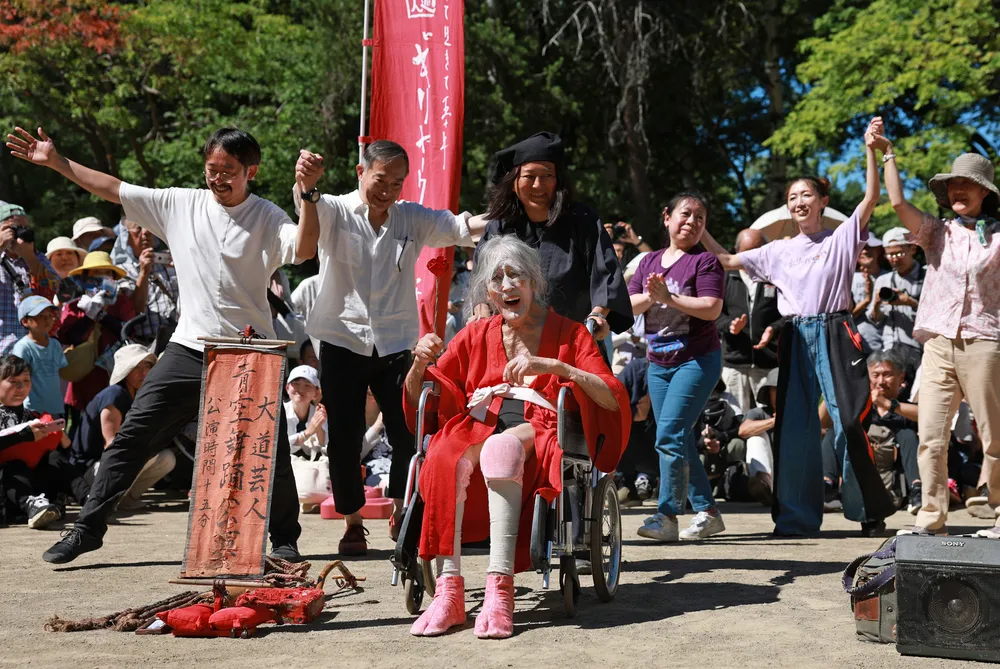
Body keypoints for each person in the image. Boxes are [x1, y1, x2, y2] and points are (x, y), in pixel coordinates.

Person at [6, 125, 305, 564]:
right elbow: (111, 187)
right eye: (211, 169)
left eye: (229, 171)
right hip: (189, 345)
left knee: (269, 443)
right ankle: (88, 529)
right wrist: (56, 161)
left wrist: (310, 198)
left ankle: (284, 539)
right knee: (133, 436)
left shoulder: (268, 215)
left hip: (249, 350)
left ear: (251, 172)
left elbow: (305, 246)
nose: (218, 178)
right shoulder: (180, 204)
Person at [402, 236, 628, 639]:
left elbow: (610, 395)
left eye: (515, 275)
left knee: (502, 448)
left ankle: (499, 588)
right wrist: (419, 363)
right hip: (478, 419)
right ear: (487, 291)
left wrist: (558, 366)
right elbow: (436, 390)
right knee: (439, 455)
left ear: (533, 281)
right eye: (497, 279)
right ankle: (450, 591)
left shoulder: (570, 333)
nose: (507, 285)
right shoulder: (474, 333)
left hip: (540, 425)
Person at [699, 118, 897, 537]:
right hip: (795, 333)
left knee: (847, 420)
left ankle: (867, 511)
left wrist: (872, 151)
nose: (799, 201)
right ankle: (797, 517)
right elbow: (730, 262)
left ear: (822, 200)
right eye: (792, 197)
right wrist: (702, 234)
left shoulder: (842, 238)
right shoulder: (779, 250)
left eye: (807, 194)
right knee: (794, 425)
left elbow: (872, 196)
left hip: (835, 329)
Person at [294, 140, 486, 556]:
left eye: (398, 182)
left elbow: (460, 228)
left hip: (398, 344)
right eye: (381, 179)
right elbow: (307, 225)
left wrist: (512, 215)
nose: (388, 190)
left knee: (408, 431)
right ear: (361, 172)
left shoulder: (410, 218)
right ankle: (352, 522)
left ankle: (403, 509)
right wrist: (307, 187)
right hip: (342, 340)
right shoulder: (334, 208)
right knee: (344, 437)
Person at [871, 119, 1000, 539]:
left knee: (994, 437)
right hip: (938, 343)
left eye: (968, 183)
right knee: (930, 437)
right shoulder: (935, 233)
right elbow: (895, 202)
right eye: (953, 184)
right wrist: (886, 153)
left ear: (985, 192)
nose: (958, 190)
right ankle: (931, 518)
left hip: (985, 342)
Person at [628, 192, 727, 542]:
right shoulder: (648, 261)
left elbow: (711, 308)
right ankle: (708, 511)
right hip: (658, 362)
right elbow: (630, 304)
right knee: (678, 437)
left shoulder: (706, 263)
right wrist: (654, 297)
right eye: (686, 215)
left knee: (668, 435)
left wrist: (668, 298)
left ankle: (666, 515)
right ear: (667, 217)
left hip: (697, 360)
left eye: (700, 218)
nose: (693, 222)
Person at [474, 132, 632, 341]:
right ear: (513, 181)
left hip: (572, 341)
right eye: (529, 176)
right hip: (512, 342)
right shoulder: (500, 225)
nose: (538, 185)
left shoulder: (583, 220)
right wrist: (481, 310)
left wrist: (598, 315)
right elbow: (482, 278)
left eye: (547, 175)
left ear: (558, 180)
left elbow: (605, 272)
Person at [69, 344, 174, 511]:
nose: (143, 372)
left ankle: (126, 498)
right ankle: (107, 498)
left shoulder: (138, 394)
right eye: (136, 367)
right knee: (147, 455)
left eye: (147, 366)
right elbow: (111, 445)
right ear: (125, 371)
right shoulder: (114, 395)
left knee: (166, 458)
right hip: (91, 469)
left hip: (113, 464)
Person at [821, 349, 920, 515]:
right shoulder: (858, 407)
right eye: (875, 375)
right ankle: (827, 488)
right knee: (835, 431)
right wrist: (833, 388)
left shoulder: (906, 407)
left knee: (907, 434)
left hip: (896, 489)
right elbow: (822, 422)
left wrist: (888, 404)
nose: (881, 381)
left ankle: (917, 491)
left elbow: (927, 417)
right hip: (860, 485)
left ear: (901, 377)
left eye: (887, 374)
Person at [0, 355, 86, 528]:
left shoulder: (34, 417)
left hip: (38, 485)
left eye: (26, 381)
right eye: (13, 381)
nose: (20, 387)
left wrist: (60, 438)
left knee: (53, 457)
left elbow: (65, 455)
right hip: (10, 487)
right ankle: (33, 506)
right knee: (14, 464)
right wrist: (23, 436)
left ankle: (91, 499)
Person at [58, 252, 137, 415]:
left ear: (113, 277)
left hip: (114, 373)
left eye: (106, 272)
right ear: (85, 277)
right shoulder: (75, 304)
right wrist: (89, 315)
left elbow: (129, 331)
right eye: (95, 272)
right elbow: (67, 336)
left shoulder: (122, 302)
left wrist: (102, 315)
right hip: (84, 375)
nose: (101, 277)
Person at [716, 228, 781, 412]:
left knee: (769, 420)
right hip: (734, 364)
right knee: (735, 420)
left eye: (757, 250)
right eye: (747, 251)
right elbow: (715, 315)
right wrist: (730, 326)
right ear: (736, 251)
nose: (752, 256)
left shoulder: (775, 277)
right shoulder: (725, 278)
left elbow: (789, 314)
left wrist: (773, 329)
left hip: (768, 364)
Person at [0, 203, 60, 353]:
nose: (19, 233)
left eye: (24, 228)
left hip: (32, 351)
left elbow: (54, 287)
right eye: (13, 228)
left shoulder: (36, 258)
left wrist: (29, 256)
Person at [111, 218, 179, 347]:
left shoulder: (170, 260)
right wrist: (143, 273)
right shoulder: (122, 271)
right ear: (126, 237)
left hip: (178, 340)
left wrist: (183, 266)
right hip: (145, 344)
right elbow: (135, 310)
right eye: (138, 228)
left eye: (149, 227)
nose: (146, 232)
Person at [869, 226, 924, 373]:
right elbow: (875, 319)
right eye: (890, 255)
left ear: (912, 249)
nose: (894, 259)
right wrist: (876, 304)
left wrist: (909, 302)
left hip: (920, 350)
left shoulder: (927, 276)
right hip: (890, 348)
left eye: (899, 253)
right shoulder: (883, 280)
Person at [11, 296, 67, 418]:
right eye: (40, 316)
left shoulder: (55, 345)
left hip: (56, 407)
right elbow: (17, 378)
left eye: (49, 315)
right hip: (33, 409)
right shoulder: (23, 347)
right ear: (25, 321)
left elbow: (63, 371)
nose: (47, 320)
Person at [615, 357, 657, 506]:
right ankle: (626, 485)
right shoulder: (634, 370)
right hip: (630, 438)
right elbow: (612, 401)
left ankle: (655, 486)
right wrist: (635, 415)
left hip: (654, 442)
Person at [738, 367, 779, 506]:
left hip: (795, 470)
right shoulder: (758, 413)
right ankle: (763, 483)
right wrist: (774, 421)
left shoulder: (801, 413)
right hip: (771, 472)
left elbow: (822, 433)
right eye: (776, 389)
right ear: (769, 392)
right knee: (755, 437)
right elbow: (743, 431)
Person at [851, 233, 885, 352]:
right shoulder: (849, 280)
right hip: (860, 346)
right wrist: (867, 300)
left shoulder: (890, 277)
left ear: (878, 250)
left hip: (891, 344)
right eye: (860, 248)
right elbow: (847, 316)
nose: (864, 251)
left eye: (869, 247)